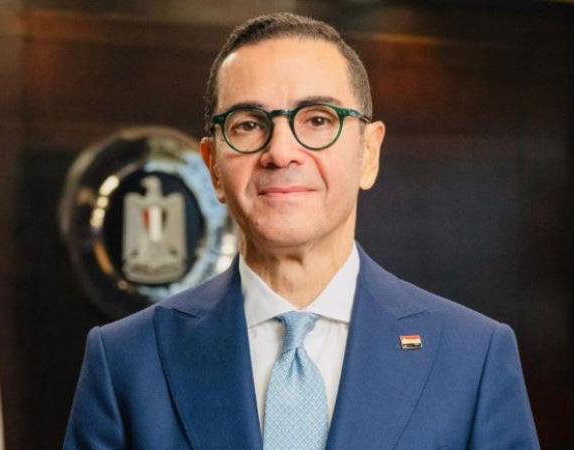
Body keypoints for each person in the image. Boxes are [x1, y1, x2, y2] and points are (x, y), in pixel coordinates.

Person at [63, 12, 540, 450]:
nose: (281, 152)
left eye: (317, 120)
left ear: (368, 153)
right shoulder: (126, 361)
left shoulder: (472, 358)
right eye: (249, 125)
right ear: (212, 167)